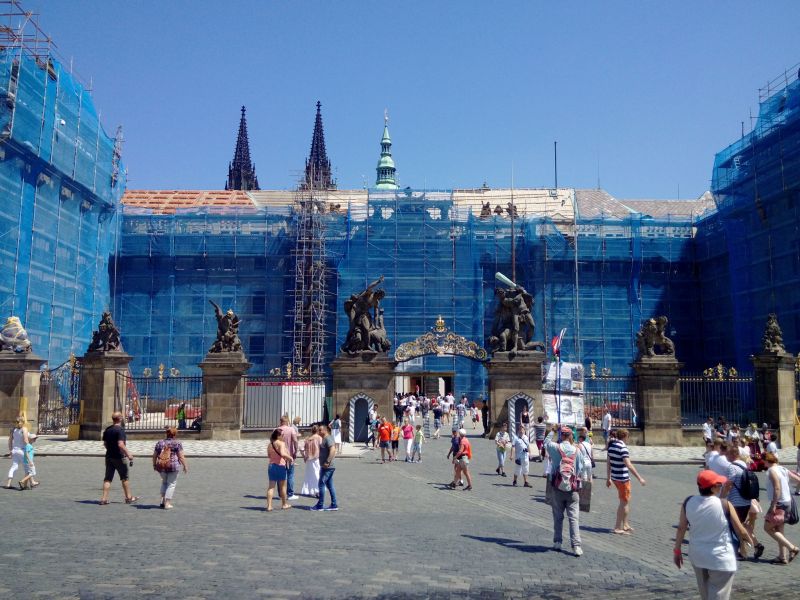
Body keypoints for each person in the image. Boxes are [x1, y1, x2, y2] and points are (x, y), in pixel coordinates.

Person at [673, 470, 753, 600]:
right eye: (718, 485)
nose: (720, 486)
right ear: (713, 488)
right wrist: (749, 541)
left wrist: (677, 550)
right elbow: (740, 530)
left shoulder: (688, 502)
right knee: (719, 594)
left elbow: (681, 528)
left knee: (705, 594)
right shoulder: (725, 504)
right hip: (720, 557)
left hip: (698, 555)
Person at [545, 425, 585, 556]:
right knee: (574, 518)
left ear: (561, 435)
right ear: (571, 435)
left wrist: (552, 430)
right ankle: (576, 546)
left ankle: (557, 542)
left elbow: (545, 443)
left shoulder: (555, 447)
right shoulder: (577, 450)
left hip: (557, 487)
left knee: (558, 516)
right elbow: (581, 468)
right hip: (572, 489)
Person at [723, 444, 765, 560]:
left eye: (727, 454)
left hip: (735, 502)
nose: (726, 456)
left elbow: (729, 484)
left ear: (733, 454)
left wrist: (721, 497)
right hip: (746, 501)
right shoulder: (744, 465)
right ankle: (751, 547)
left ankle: (744, 550)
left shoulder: (732, 467)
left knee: (736, 527)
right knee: (740, 525)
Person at [762, 452, 800, 564]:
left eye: (763, 461)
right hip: (787, 502)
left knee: (767, 527)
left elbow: (777, 488)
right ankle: (782, 557)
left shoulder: (771, 471)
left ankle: (792, 548)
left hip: (779, 503)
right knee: (779, 529)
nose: (763, 464)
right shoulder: (783, 469)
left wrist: (773, 505)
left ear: (766, 460)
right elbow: (798, 479)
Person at [606, 428, 645, 535]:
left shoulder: (611, 446)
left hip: (615, 477)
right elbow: (629, 465)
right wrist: (639, 478)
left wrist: (608, 478)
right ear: (625, 436)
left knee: (626, 501)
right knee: (623, 503)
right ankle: (617, 527)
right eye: (628, 436)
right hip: (623, 479)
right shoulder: (623, 448)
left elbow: (608, 463)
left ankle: (625, 524)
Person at [99, 412, 138, 505]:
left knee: (108, 478)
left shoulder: (108, 430)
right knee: (124, 477)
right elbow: (120, 444)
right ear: (120, 418)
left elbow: (105, 444)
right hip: (119, 457)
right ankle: (128, 497)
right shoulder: (120, 430)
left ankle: (104, 499)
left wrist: (110, 450)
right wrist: (128, 454)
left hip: (109, 456)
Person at [152, 426, 188, 509]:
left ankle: (162, 501)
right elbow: (181, 456)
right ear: (174, 434)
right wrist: (185, 466)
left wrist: (154, 465)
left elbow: (154, 455)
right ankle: (167, 503)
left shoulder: (160, 442)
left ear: (166, 434)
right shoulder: (177, 443)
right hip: (173, 466)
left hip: (161, 466)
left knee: (164, 482)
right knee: (171, 484)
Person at [311, 424, 338, 511]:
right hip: (326, 466)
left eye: (320, 430)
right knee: (330, 485)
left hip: (328, 467)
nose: (318, 431)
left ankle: (320, 505)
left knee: (321, 484)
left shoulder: (328, 438)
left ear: (325, 430)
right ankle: (334, 504)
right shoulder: (324, 439)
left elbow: (333, 450)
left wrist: (327, 461)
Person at [267, 428, 294, 511]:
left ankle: (269, 506)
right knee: (282, 487)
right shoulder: (281, 443)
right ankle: (284, 504)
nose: (283, 437)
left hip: (271, 466)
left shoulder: (270, 444)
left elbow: (269, 455)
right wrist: (290, 458)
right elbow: (282, 453)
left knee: (271, 487)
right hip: (280, 466)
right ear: (278, 436)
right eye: (282, 435)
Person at [277, 415, 299, 501]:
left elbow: (272, 442)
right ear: (287, 421)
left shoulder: (276, 430)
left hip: (279, 456)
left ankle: (280, 494)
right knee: (290, 474)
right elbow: (295, 441)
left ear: (281, 421)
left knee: (280, 475)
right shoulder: (291, 429)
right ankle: (290, 494)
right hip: (289, 455)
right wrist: (295, 451)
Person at [4, 416, 30, 489]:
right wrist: (29, 448)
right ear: (23, 422)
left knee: (14, 466)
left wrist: (10, 450)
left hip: (14, 450)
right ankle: (24, 485)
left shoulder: (13, 430)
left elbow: (9, 441)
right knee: (27, 468)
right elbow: (25, 440)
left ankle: (8, 484)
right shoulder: (24, 429)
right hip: (22, 450)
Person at [301, 425, 321, 497]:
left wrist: (304, 457)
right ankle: (317, 490)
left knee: (309, 475)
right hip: (316, 458)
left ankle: (310, 490)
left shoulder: (308, 439)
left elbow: (301, 449)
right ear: (318, 431)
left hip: (308, 459)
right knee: (317, 474)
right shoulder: (319, 438)